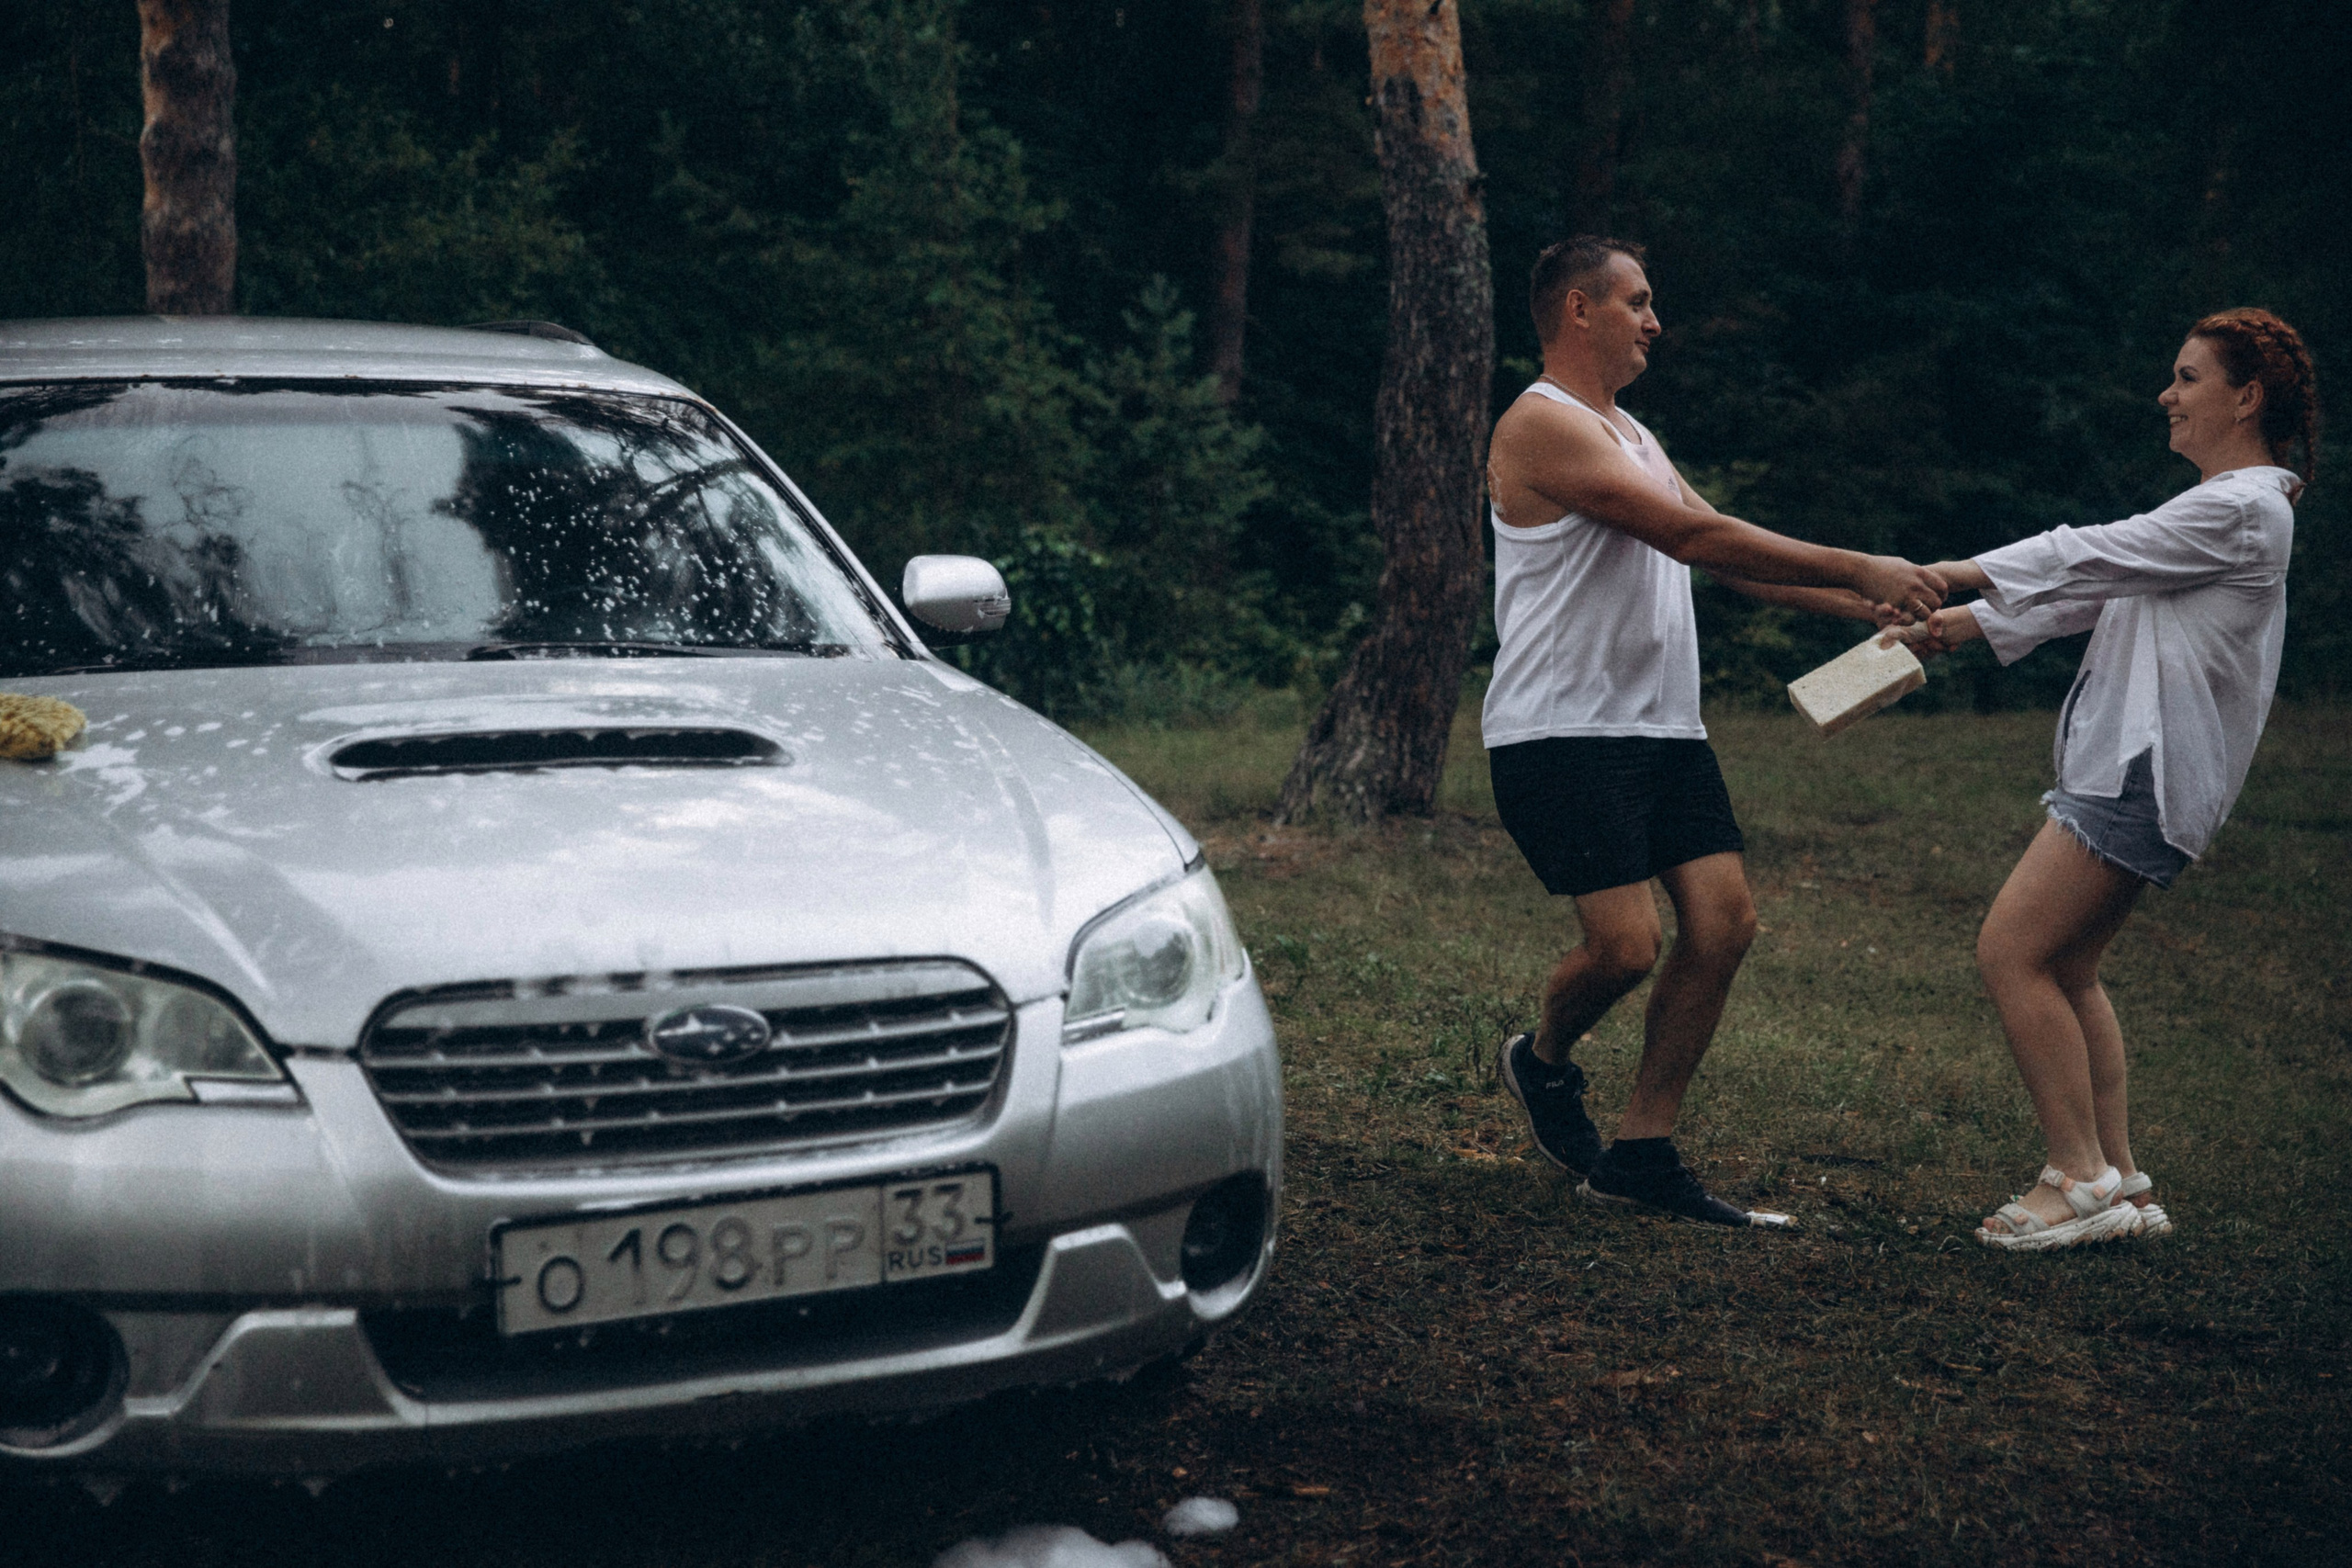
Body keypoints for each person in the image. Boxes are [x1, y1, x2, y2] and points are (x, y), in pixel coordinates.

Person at [1486, 236, 1947, 1225]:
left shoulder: (1636, 437)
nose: (1655, 321)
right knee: (1622, 949)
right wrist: (1858, 561)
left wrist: (1868, 613)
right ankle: (1542, 1059)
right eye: (1637, 302)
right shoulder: (1541, 425)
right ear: (1577, 309)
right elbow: (1688, 538)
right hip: (1560, 732)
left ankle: (1641, 1154)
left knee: (1725, 922)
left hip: (1663, 732)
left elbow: (1730, 562)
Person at [1893, 307, 2317, 1250]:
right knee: (2070, 966)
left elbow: (2088, 550)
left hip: (2141, 769)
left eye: (2188, 378)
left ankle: (2075, 1177)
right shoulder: (2225, 511)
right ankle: (2121, 1183)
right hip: (2138, 767)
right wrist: (1968, 625)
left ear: (2245, 397)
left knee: (2011, 952)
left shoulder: (2240, 507)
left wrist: (1955, 573)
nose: (2166, 395)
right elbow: (2104, 585)